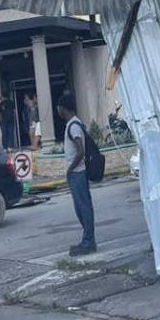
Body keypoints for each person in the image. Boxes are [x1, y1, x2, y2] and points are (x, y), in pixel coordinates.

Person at [58, 91, 96, 256]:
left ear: (63, 108)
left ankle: (88, 242)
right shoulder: (73, 124)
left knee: (83, 208)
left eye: (58, 107)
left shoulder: (73, 126)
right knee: (80, 208)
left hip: (78, 173)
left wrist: (70, 169)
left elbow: (80, 151)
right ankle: (87, 240)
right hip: (77, 173)